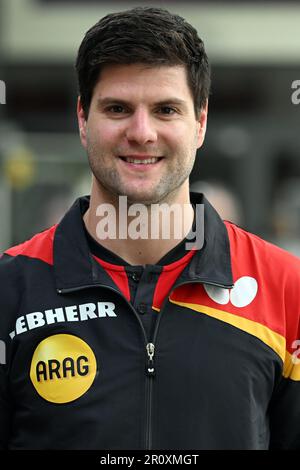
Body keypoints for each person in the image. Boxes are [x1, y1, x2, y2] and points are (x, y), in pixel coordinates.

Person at [0, 7, 300, 451]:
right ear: (83, 120)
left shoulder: (286, 288)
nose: (141, 132)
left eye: (165, 110)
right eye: (118, 108)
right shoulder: (10, 288)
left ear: (200, 123)